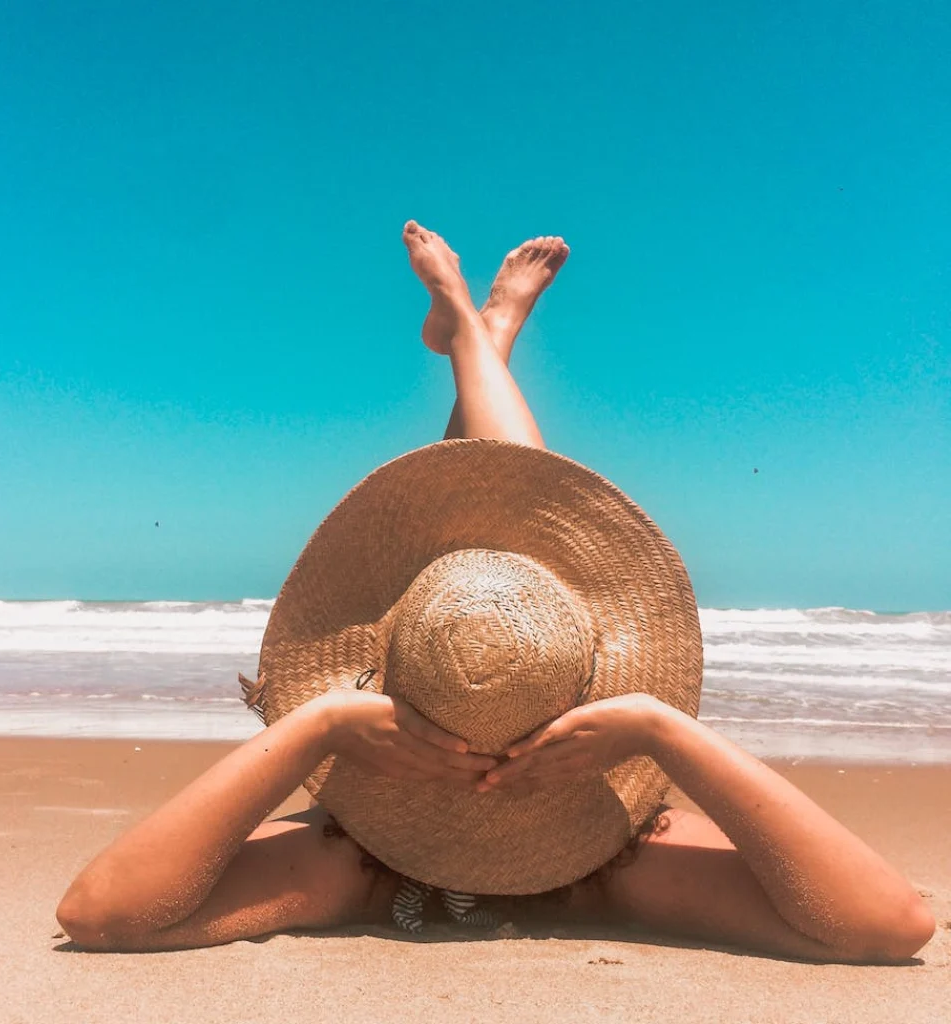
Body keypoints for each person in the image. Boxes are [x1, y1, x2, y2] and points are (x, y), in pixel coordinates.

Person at [56, 222, 934, 962]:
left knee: (492, 555)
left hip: (428, 783)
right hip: (526, 779)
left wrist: (317, 727)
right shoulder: (611, 858)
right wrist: (660, 730)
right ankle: (482, 341)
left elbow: (890, 925)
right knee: (493, 564)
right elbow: (97, 914)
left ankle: (482, 342)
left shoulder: (352, 862)